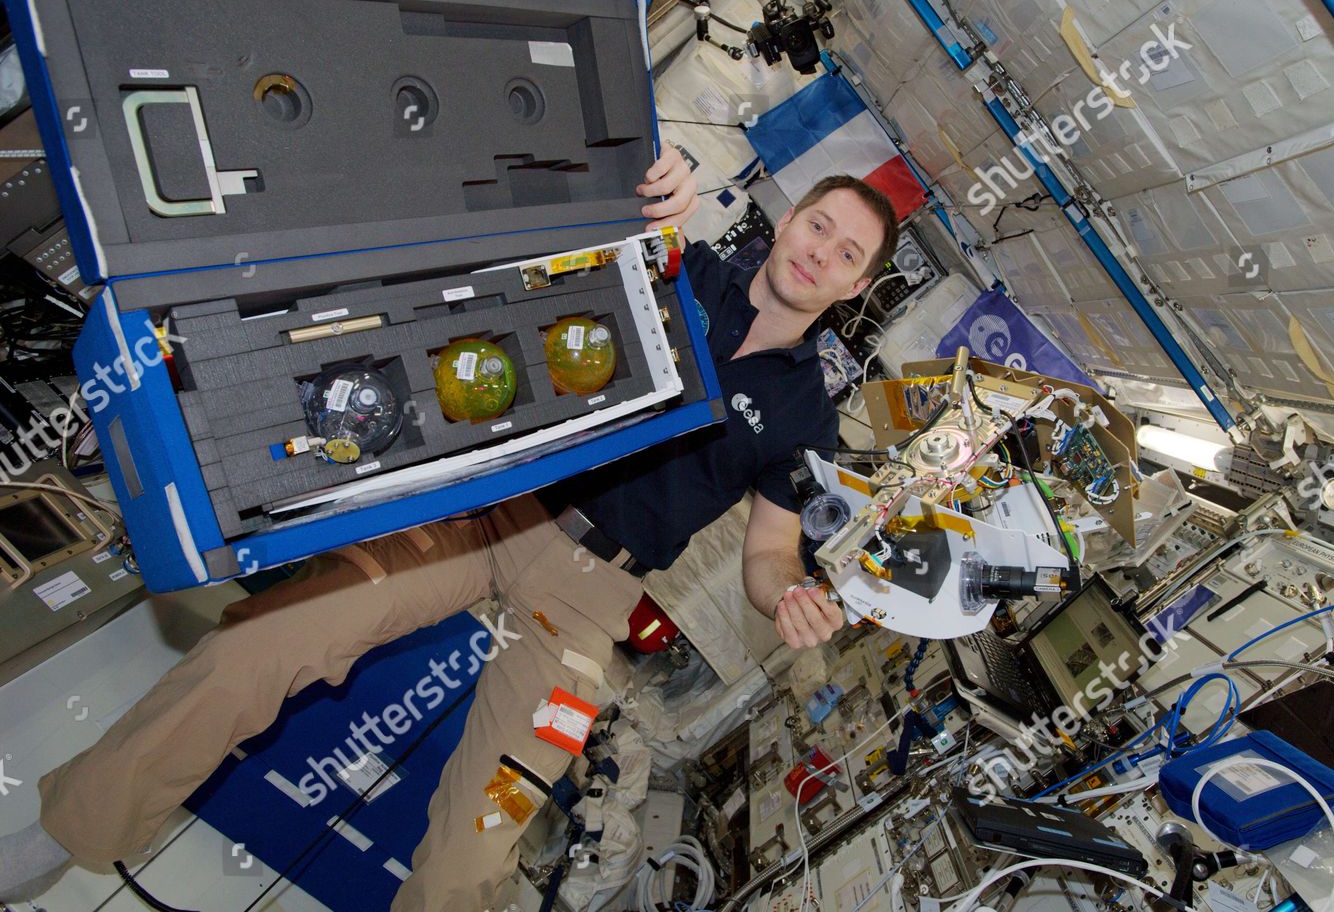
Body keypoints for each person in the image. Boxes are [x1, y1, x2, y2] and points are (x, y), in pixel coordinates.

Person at [0, 146, 901, 910]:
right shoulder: (676, 264)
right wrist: (644, 176)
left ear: (858, 286)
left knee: (483, 835)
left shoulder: (804, 417)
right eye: (818, 224)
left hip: (590, 603)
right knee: (259, 650)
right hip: (488, 513)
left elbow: (771, 552)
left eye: (847, 252)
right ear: (788, 221)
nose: (822, 251)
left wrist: (788, 595)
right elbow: (574, 213)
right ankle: (70, 826)